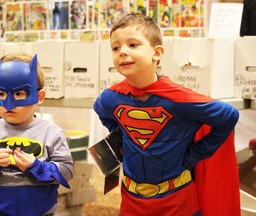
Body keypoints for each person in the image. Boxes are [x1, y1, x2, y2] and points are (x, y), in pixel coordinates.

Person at [93, 12, 240, 215]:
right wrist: (122, 136)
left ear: (157, 52)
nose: (122, 52)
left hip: (176, 201)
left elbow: (228, 116)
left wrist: (194, 156)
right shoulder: (112, 97)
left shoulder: (178, 98)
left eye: (133, 45)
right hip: (132, 200)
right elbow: (101, 110)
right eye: (115, 47)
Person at [0, 52, 73, 216]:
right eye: (1, 94)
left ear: (39, 97)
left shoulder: (52, 133)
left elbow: (66, 171)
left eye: (19, 94)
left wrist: (36, 167)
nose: (9, 104)